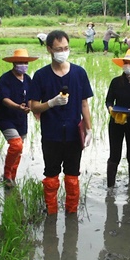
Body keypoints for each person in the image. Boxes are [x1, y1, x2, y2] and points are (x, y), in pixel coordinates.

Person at [29, 30, 93, 214]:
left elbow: (84, 104)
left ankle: (71, 212)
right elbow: (33, 106)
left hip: (74, 135)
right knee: (51, 175)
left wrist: (88, 129)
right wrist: (51, 103)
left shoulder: (79, 73)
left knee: (73, 176)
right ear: (49, 49)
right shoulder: (41, 76)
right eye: (58, 49)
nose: (63, 52)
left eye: (66, 48)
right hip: (51, 135)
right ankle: (51, 212)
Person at [0, 48, 36, 188]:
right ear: (14, 63)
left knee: (19, 149)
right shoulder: (5, 79)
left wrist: (30, 107)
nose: (23, 65)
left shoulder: (28, 79)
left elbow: (30, 98)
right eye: (20, 62)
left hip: (21, 118)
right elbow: (4, 99)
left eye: (25, 62)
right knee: (16, 144)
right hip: (6, 118)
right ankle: (6, 174)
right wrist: (18, 106)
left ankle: (12, 177)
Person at [105, 49, 130, 187]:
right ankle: (110, 185)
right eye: (126, 62)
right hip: (116, 121)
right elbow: (109, 100)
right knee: (114, 154)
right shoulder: (116, 82)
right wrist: (110, 109)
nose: (129, 65)